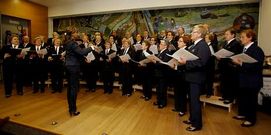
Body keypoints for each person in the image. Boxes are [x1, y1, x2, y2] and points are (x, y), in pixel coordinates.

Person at [178, 24, 211, 131]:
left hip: (196, 78)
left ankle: (196, 125)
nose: (191, 33)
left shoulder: (203, 46)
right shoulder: (195, 45)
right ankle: (192, 119)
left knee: (195, 102)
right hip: (191, 77)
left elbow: (201, 62)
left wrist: (185, 62)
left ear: (199, 34)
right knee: (191, 101)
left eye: (193, 32)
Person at [231, 29, 264, 127]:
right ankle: (242, 114)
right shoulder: (244, 49)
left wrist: (240, 63)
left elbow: (257, 66)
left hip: (252, 81)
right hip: (243, 80)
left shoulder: (257, 49)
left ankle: (250, 120)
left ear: (250, 38)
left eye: (243, 37)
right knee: (243, 98)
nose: (240, 39)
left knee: (251, 101)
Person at [63, 28, 92, 116]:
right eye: (76, 32)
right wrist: (91, 48)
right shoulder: (72, 43)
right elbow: (82, 52)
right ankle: (73, 110)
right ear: (72, 34)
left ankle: (70, 108)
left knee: (70, 88)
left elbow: (75, 54)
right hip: (73, 67)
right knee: (74, 89)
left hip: (68, 66)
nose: (77, 34)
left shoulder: (67, 42)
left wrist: (84, 59)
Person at [218, 28, 242, 104]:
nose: (225, 36)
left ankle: (230, 98)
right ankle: (224, 96)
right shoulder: (226, 43)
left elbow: (235, 55)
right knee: (224, 82)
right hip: (224, 67)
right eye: (225, 34)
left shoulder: (236, 43)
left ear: (233, 35)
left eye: (227, 34)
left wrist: (224, 56)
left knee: (230, 83)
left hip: (230, 67)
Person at [172, 35, 191, 116]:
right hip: (177, 73)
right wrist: (174, 66)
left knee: (182, 93)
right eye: (178, 41)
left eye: (180, 41)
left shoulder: (187, 51)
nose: (178, 42)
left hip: (183, 75)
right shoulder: (178, 50)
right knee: (177, 91)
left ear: (185, 43)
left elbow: (186, 64)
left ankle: (182, 109)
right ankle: (177, 107)